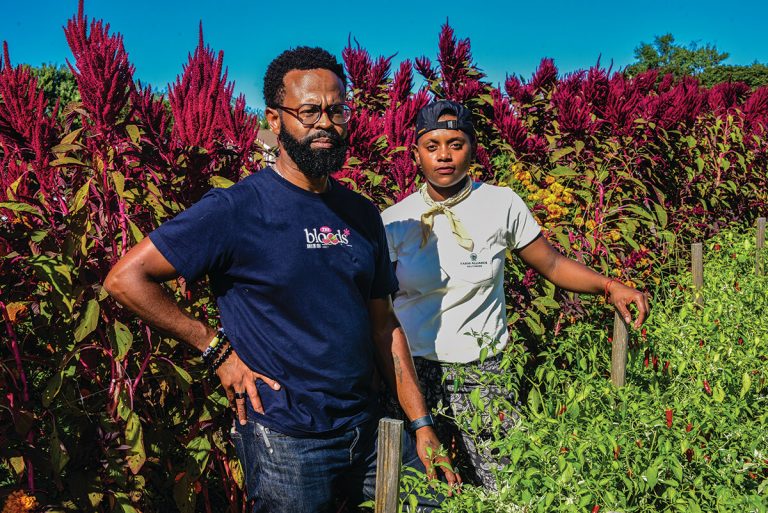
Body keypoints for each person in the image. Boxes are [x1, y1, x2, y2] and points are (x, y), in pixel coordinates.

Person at [104, 47, 458, 513]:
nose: (325, 124)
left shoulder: (361, 213)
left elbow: (383, 325)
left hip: (368, 426)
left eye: (336, 110)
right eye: (309, 111)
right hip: (286, 439)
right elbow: (126, 278)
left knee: (437, 504)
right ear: (275, 119)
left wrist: (422, 424)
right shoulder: (236, 209)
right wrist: (215, 348)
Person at [381, 100, 650, 489]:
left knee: (507, 485)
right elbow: (380, 308)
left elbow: (552, 263)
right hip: (415, 376)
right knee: (420, 489)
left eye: (455, 144)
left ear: (472, 148)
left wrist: (609, 286)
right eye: (432, 146)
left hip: (483, 373)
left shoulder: (500, 204)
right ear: (416, 154)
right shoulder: (394, 220)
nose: (444, 156)